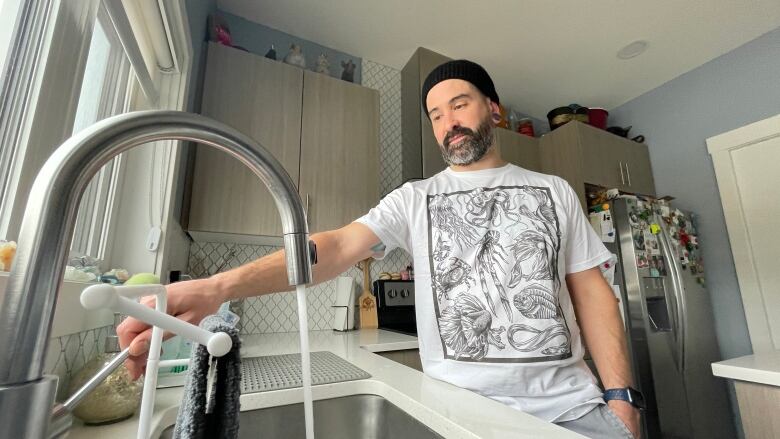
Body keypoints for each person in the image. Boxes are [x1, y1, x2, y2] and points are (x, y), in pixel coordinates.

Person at [118, 60, 642, 438]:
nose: (448, 122)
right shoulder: (414, 198)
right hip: (461, 416)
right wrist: (216, 288)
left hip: (574, 414)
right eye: (436, 114)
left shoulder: (552, 190)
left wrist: (622, 400)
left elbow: (593, 293)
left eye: (459, 104)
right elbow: (340, 245)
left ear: (493, 110)